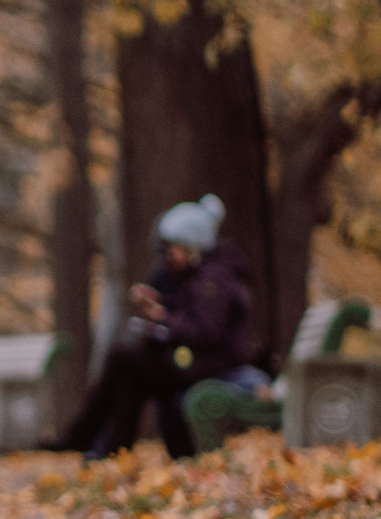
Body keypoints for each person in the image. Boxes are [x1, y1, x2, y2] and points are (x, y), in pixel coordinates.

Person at [53, 195, 262, 461]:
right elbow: (190, 317)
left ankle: (88, 439)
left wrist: (162, 316)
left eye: (173, 248)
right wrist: (159, 309)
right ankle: (111, 451)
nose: (168, 256)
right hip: (194, 360)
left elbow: (206, 331)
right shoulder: (200, 276)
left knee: (123, 357)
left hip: (210, 364)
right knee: (131, 373)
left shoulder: (214, 279)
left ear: (192, 246)